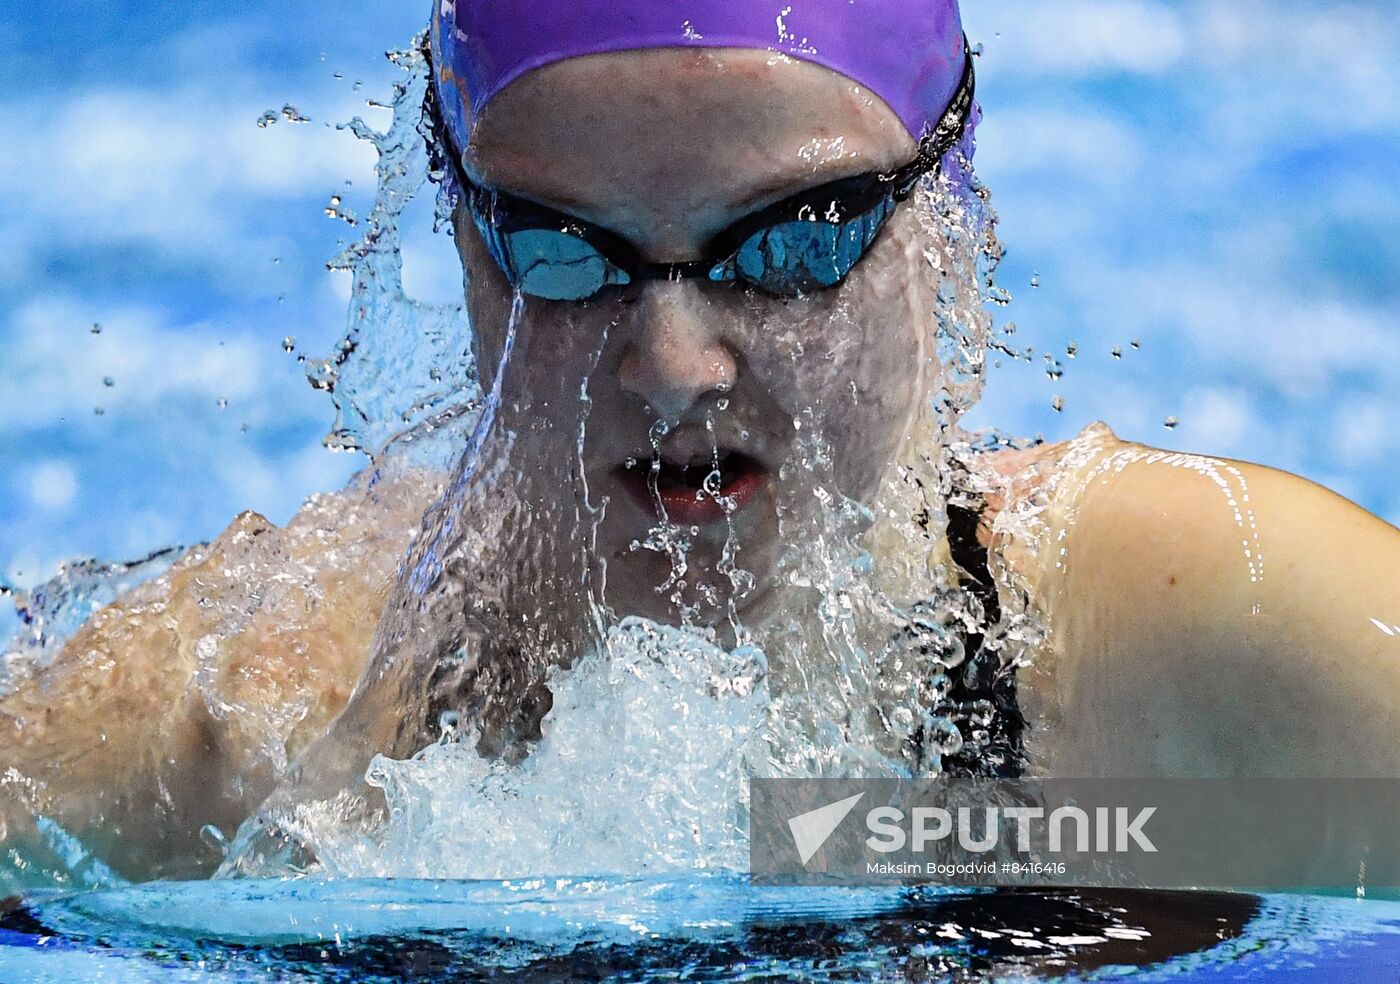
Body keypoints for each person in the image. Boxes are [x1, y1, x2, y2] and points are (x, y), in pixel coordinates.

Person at [2, 0, 1398, 884]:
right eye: (562, 251)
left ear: (945, 227)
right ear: (465, 243)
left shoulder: (1182, 639)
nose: (672, 364)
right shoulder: (260, 729)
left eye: (790, 243)